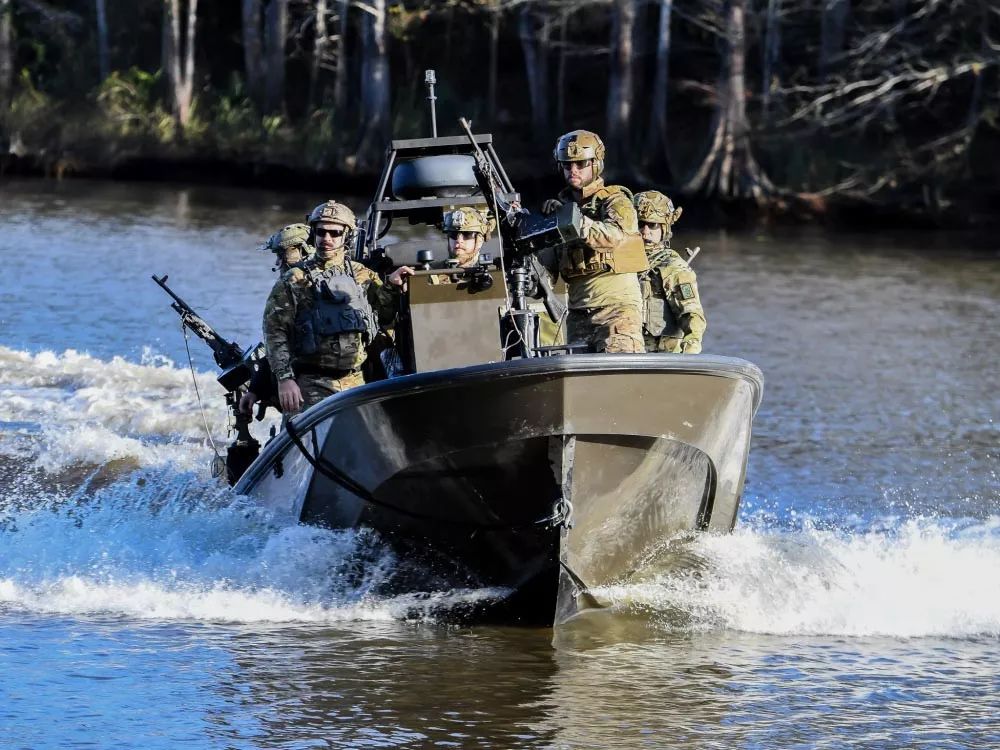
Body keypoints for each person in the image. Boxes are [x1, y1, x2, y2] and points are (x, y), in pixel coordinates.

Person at [262, 200, 401, 413]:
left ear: (347, 235)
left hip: (355, 382)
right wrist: (285, 379)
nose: (327, 239)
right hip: (310, 384)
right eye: (321, 232)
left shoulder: (362, 275)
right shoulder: (295, 279)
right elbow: (275, 332)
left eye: (334, 233)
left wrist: (391, 286)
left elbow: (385, 316)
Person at [538, 129, 648, 353]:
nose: (573, 170)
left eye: (581, 164)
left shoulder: (616, 201)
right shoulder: (560, 209)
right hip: (578, 314)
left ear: (596, 164)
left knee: (618, 376)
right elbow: (548, 267)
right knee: (582, 381)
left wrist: (572, 220)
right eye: (567, 165)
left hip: (617, 310)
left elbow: (612, 237)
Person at [634, 191, 706, 354]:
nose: (645, 232)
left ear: (664, 227)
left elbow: (692, 314)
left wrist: (691, 349)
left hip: (662, 356)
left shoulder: (673, 267)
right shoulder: (621, 263)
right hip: (625, 352)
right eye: (640, 224)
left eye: (652, 225)